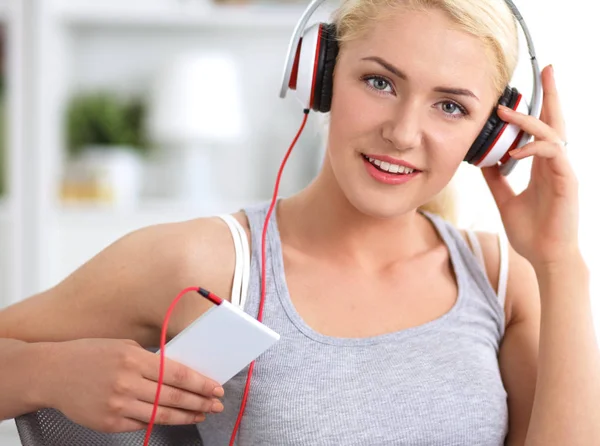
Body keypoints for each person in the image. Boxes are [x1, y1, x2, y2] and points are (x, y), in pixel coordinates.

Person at [1, 0, 599, 444]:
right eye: (379, 81)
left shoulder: (500, 281)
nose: (403, 132)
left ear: (490, 138)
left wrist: (560, 262)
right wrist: (48, 372)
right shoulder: (209, 262)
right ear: (320, 76)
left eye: (450, 106)